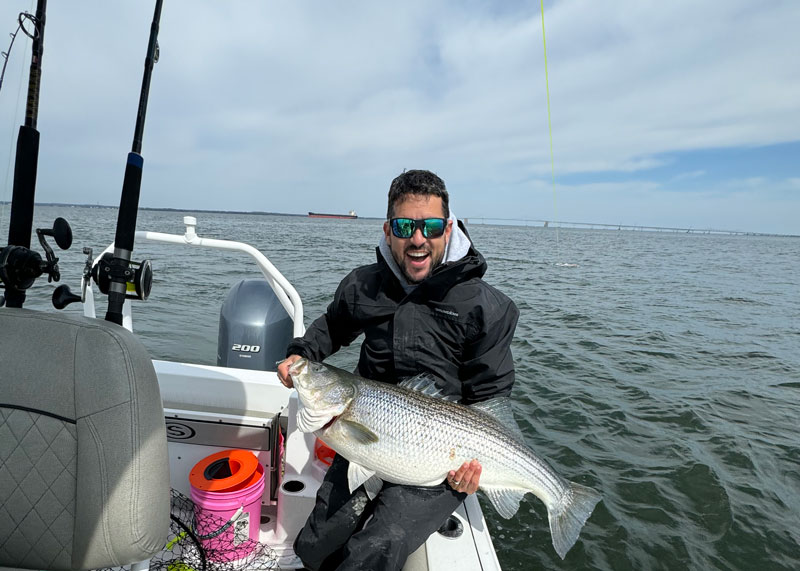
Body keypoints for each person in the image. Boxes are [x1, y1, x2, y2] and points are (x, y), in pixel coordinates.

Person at [277, 169, 519, 570]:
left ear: (449, 228)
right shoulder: (364, 286)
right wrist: (300, 353)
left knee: (378, 545)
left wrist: (474, 470)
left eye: (431, 226)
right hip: (368, 427)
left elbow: (490, 396)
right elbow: (332, 328)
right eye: (406, 226)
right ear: (389, 230)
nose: (418, 239)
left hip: (440, 453)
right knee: (317, 543)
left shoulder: (487, 306)